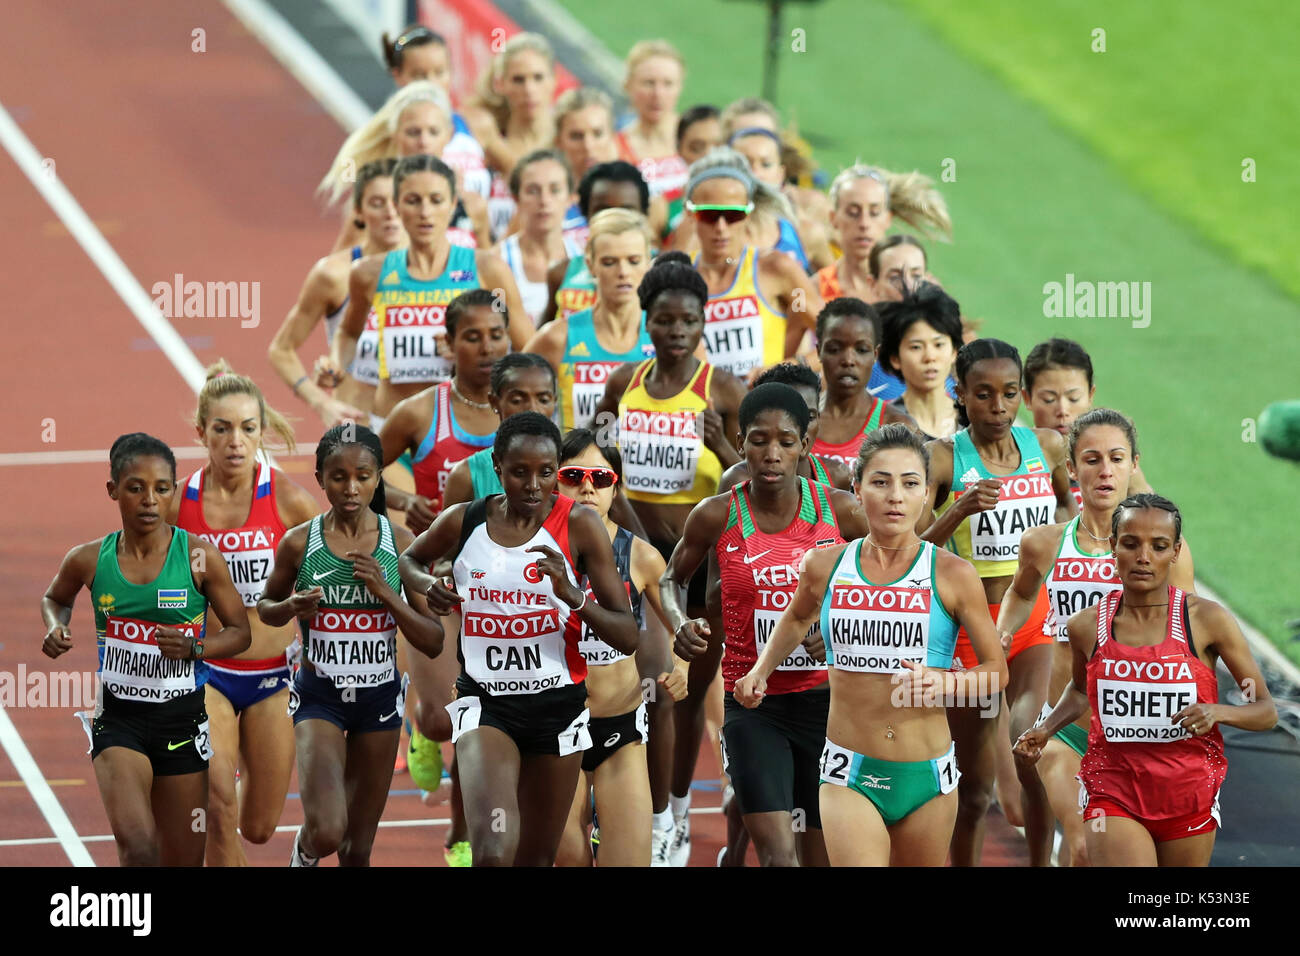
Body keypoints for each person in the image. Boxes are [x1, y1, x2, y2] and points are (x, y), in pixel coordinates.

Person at [735, 424, 1008, 865]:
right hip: (849, 773)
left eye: (910, 483)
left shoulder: (954, 574)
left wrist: (946, 685)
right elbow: (798, 616)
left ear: (926, 495)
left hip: (928, 778)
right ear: (858, 491)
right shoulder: (825, 565)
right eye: (880, 482)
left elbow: (997, 672)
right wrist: (759, 671)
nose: (895, 496)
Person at [398, 412, 639, 866]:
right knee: (493, 850)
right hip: (486, 706)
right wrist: (429, 586)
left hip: (558, 709)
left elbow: (627, 635)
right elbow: (410, 559)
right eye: (520, 472)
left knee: (535, 858)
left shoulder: (581, 527)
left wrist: (574, 597)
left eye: (546, 473)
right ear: (498, 466)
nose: (533, 484)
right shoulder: (464, 520)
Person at [664, 383, 870, 866]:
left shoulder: (838, 511)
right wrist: (678, 623)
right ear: (740, 444)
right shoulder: (717, 514)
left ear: (804, 445)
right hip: (752, 705)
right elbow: (673, 578)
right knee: (779, 858)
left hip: (828, 705)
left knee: (820, 858)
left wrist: (841, 626)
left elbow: (901, 571)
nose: (772, 454)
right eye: (759, 440)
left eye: (785, 441)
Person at [1015, 494, 1276, 867]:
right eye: (1131, 543)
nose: (1143, 557)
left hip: (1188, 794)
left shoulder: (1207, 621)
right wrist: (1045, 728)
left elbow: (1265, 711)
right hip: (1113, 790)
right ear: (1113, 546)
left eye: (1159, 546)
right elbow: (1078, 690)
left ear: (1175, 551)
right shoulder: (1085, 627)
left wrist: (1217, 712)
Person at [594, 252, 746, 863]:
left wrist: (721, 441)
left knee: (689, 691)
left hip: (702, 571)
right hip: (641, 561)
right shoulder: (620, 387)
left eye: (688, 320)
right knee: (654, 688)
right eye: (665, 319)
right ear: (647, 321)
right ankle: (648, 814)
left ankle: (678, 810)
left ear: (703, 324)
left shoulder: (724, 390)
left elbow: (755, 475)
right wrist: (632, 541)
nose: (677, 330)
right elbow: (603, 471)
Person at [41, 434, 251, 866]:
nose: (150, 500)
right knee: (139, 848)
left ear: (173, 491)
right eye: (136, 487)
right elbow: (55, 598)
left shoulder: (198, 557)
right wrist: (55, 627)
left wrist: (196, 647)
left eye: (162, 488)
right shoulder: (89, 559)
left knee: (184, 858)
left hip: (183, 722)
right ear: (113, 490)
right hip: (119, 721)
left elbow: (240, 632)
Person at [997, 408, 1194, 865]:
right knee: (1084, 841)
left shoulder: (1166, 552)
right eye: (1092, 459)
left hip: (1139, 732)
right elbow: (1021, 592)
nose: (1105, 471)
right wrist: (1001, 634)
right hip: (1065, 730)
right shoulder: (1044, 543)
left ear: (1133, 466)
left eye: (1117, 458)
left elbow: (1190, 631)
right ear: (1071, 470)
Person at [919, 338, 1077, 866]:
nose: (998, 407)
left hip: (1032, 620)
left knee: (1027, 746)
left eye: (1010, 394)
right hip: (970, 632)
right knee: (975, 792)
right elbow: (912, 555)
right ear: (958, 393)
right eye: (983, 394)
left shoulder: (1049, 447)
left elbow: (1070, 517)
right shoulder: (944, 458)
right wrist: (956, 512)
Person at [258, 425, 443, 867]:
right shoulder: (299, 542)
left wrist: (387, 593)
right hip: (320, 698)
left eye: (363, 475)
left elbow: (433, 639)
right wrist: (290, 605)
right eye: (338, 477)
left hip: (378, 701)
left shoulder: (399, 544)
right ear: (320, 479)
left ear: (379, 478)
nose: (351, 487)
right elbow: (265, 608)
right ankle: (303, 855)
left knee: (357, 850)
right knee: (326, 830)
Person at [169, 363, 320, 866]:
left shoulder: (287, 501)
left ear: (262, 430)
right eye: (223, 428)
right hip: (203, 672)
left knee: (258, 826)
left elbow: (337, 562)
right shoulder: (176, 507)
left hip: (274, 678)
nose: (236, 441)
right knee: (217, 803)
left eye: (248, 428)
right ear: (200, 432)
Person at [553, 428, 687, 866]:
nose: (587, 486)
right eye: (573, 475)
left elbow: (679, 623)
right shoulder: (531, 548)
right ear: (554, 481)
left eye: (600, 477)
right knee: (567, 857)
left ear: (616, 487)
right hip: (552, 727)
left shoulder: (642, 556)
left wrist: (682, 663)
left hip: (620, 728)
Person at [331, 154, 529, 430]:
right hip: (391, 428)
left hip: (465, 428)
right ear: (398, 206)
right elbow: (348, 333)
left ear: (451, 206)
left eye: (436, 200)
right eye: (413, 201)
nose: (425, 212)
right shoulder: (368, 273)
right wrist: (336, 364)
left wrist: (471, 351)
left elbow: (526, 351)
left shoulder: (487, 269)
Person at [268, 159, 401, 430]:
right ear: (359, 212)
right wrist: (321, 403)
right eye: (377, 203)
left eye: (399, 200)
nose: (390, 212)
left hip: (421, 433)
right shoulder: (333, 275)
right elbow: (281, 350)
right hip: (359, 430)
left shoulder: (440, 270)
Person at [378, 288, 508, 533]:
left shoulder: (526, 409)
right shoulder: (417, 412)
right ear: (448, 342)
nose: (487, 348)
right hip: (439, 564)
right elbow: (360, 471)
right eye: (472, 337)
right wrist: (405, 501)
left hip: (515, 564)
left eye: (496, 335)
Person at [684, 155, 822, 380]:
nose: (721, 227)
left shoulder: (775, 268)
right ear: (690, 214)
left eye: (733, 215)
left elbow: (839, 339)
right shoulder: (675, 275)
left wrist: (786, 368)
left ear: (748, 214)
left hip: (766, 409)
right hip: (702, 412)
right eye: (708, 215)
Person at [318, 82, 491, 253]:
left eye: (433, 132)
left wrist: (459, 277)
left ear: (449, 134)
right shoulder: (378, 201)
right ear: (395, 134)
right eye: (413, 132)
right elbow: (341, 268)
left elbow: (486, 271)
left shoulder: (472, 204)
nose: (424, 142)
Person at [524, 207, 655, 429]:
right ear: (590, 265)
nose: (623, 271)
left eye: (633, 260)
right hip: (575, 463)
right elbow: (509, 394)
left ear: (648, 263)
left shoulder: (670, 338)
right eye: (609, 262)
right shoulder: (558, 337)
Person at [1022, 338, 1151, 505]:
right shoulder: (1015, 458)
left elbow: (1157, 520)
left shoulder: (1113, 460)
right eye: (1048, 399)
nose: (1062, 410)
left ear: (1091, 395)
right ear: (1027, 398)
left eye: (1073, 398)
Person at [380, 25, 493, 202]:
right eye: (419, 75)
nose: (431, 83)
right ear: (398, 76)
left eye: (439, 72)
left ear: (451, 72)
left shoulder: (476, 124)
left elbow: (521, 176)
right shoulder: (384, 135)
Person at [814, 166, 951, 306]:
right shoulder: (814, 290)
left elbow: (961, 327)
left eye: (874, 212)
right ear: (833, 218)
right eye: (853, 212)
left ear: (887, 219)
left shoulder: (916, 289)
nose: (864, 223)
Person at [539, 161, 652, 329]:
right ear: (585, 213)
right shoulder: (561, 274)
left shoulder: (662, 273)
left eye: (627, 210)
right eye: (603, 211)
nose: (615, 219)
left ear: (644, 212)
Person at [469, 33, 559, 242]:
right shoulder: (482, 148)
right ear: (500, 84)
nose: (529, 89)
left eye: (538, 77)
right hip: (489, 264)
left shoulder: (572, 144)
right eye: (518, 80)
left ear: (554, 81)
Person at [811, 297, 916, 467]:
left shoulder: (896, 426)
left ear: (875, 355)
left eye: (861, 350)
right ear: (819, 352)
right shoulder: (797, 421)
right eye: (835, 349)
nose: (848, 360)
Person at [719, 362, 854, 492]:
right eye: (789, 419)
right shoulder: (736, 481)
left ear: (819, 419)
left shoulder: (837, 476)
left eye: (810, 417)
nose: (800, 428)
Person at [496, 149, 586, 325]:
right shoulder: (496, 261)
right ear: (515, 198)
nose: (544, 200)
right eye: (533, 190)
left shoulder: (587, 260)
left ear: (571, 198)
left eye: (555, 189)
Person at [728, 126, 833, 272]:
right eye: (744, 164)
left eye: (766, 164)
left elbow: (835, 287)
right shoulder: (712, 234)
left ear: (780, 174)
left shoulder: (805, 233)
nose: (756, 173)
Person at [877, 285, 965, 441]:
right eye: (916, 347)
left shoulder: (976, 421)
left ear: (954, 351)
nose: (930, 357)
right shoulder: (885, 427)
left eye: (939, 345)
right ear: (895, 358)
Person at [616, 40, 688, 201]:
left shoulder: (699, 138)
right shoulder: (614, 148)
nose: (658, 94)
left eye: (668, 84)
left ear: (680, 87)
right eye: (648, 83)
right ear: (628, 85)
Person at [552, 87, 623, 248]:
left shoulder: (639, 197)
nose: (588, 146)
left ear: (612, 136)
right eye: (576, 136)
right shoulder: (543, 202)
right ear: (558, 142)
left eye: (597, 134)